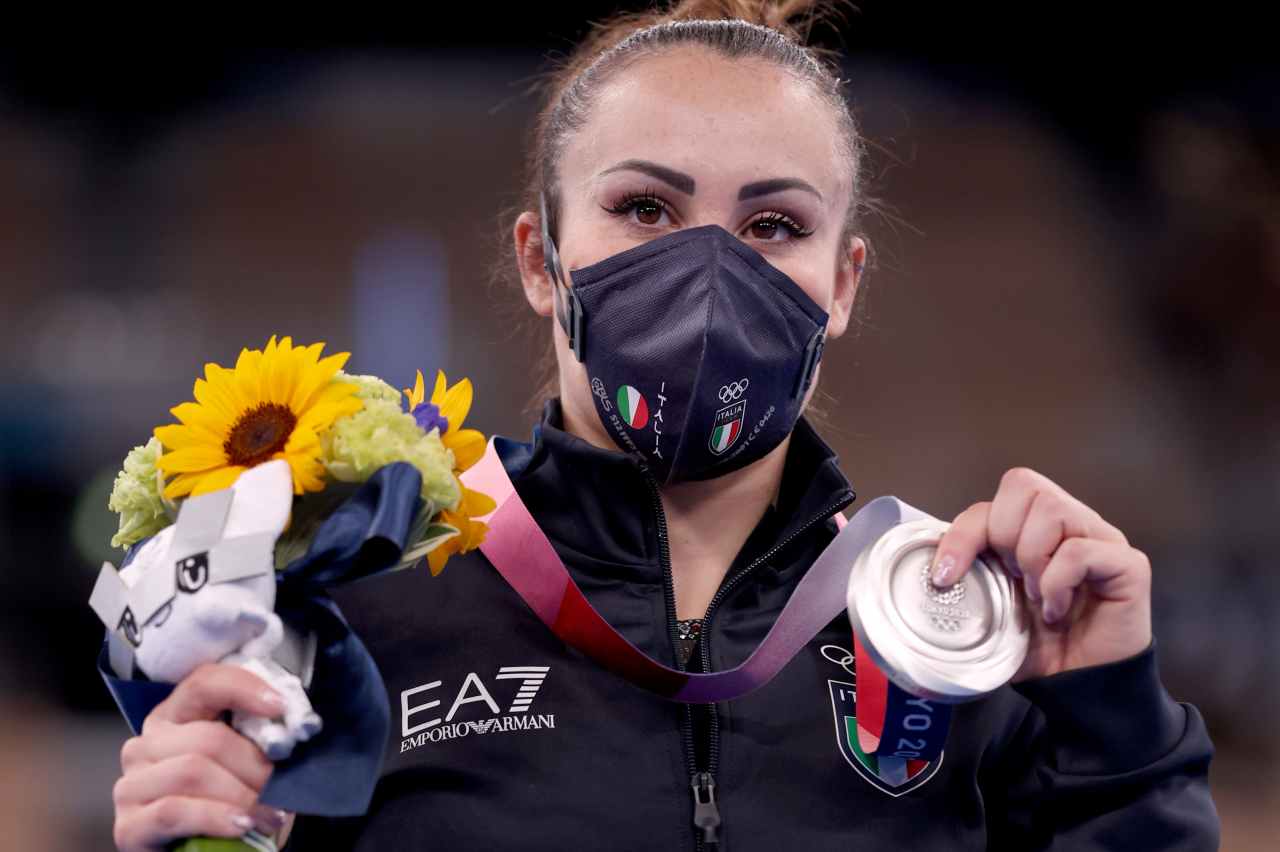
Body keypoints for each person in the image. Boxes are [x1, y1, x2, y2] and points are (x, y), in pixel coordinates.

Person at [107, 2, 1220, 849]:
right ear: (539, 259)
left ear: (841, 283)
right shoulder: (363, 611)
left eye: (772, 223)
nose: (709, 270)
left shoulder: (956, 636)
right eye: (644, 208)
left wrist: (1113, 726)